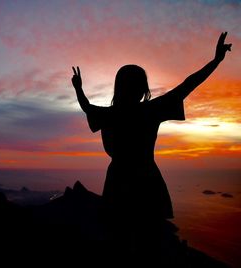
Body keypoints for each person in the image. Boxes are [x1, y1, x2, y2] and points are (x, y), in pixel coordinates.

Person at [71, 32, 231, 260]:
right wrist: (215, 61)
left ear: (119, 87)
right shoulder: (149, 110)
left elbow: (87, 108)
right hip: (147, 181)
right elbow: (188, 85)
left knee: (120, 243)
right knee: (148, 246)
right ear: (143, 89)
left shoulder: (110, 114)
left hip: (118, 181)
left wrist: (78, 88)